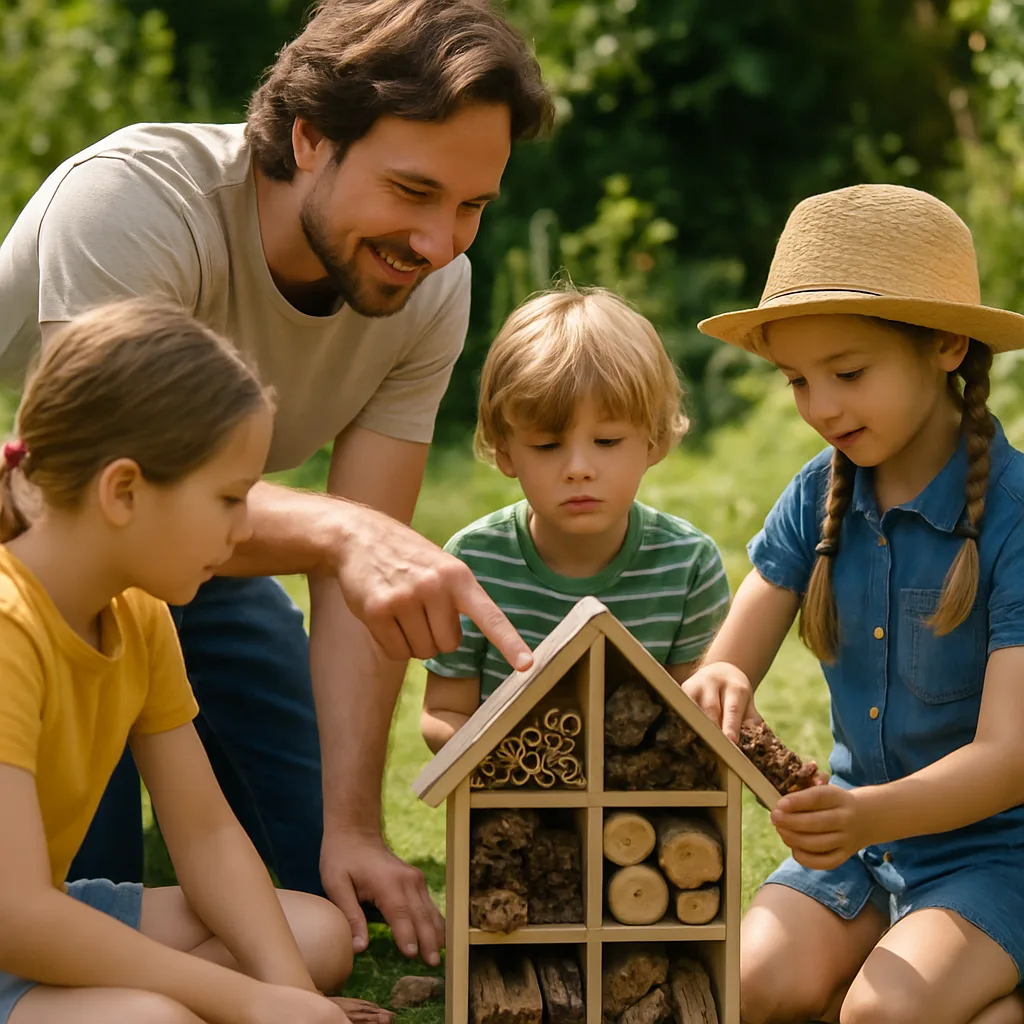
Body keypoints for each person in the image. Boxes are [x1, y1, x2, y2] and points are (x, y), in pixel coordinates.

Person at [0, 0, 554, 965]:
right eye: (413, 190)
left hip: (193, 541)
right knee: (55, 901)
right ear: (309, 137)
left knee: (315, 889)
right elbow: (101, 492)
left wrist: (354, 827)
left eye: (471, 206)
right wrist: (343, 533)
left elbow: (363, 566)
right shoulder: (135, 200)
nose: (439, 242)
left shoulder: (430, 286)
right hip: (41, 550)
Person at [687, 184, 1024, 1024]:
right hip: (859, 855)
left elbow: (1010, 758)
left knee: (878, 1015)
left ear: (947, 343)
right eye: (799, 379)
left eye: (848, 373)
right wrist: (720, 681)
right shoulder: (816, 498)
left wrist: (863, 811)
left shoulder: (1016, 516)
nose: (821, 407)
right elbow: (728, 657)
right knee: (745, 983)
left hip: (993, 857)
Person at [0, 299, 371, 1024]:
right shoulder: (8, 629)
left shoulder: (139, 615)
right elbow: (16, 912)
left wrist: (287, 994)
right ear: (124, 491)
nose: (242, 532)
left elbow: (205, 833)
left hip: (37, 925)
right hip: (18, 923)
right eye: (229, 497)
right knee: (156, 1019)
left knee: (316, 939)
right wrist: (246, 1000)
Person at [420, 286, 731, 752]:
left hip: (644, 812)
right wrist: (522, 762)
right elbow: (442, 712)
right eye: (547, 446)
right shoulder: (473, 563)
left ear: (655, 442)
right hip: (510, 804)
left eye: (606, 441)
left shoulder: (689, 566)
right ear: (506, 454)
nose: (578, 468)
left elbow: (696, 716)